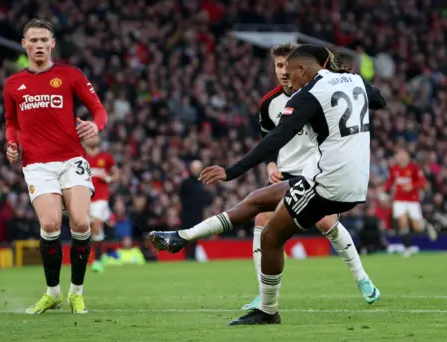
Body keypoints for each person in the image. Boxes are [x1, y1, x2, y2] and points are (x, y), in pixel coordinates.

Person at [149, 45, 386, 325]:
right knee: (257, 200)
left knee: (271, 236)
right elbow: (378, 100)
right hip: (351, 179)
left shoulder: (308, 94)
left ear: (302, 70)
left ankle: (268, 310)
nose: (287, 78)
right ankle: (183, 236)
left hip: (327, 181)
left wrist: (232, 170)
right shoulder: (354, 80)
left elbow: (275, 139)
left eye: (290, 71)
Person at [243, 43, 379, 311]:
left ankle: (362, 278)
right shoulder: (269, 103)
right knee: (262, 221)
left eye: (287, 65)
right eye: (278, 66)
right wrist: (271, 166)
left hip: (314, 171)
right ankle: (264, 293)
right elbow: (268, 138)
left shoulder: (318, 91)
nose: (283, 71)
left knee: (326, 223)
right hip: (285, 174)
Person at [4, 19, 108, 314]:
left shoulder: (70, 75)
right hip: (36, 164)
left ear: (52, 44)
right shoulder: (13, 84)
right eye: (33, 40)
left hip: (72, 160)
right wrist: (12, 144)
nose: (38, 45)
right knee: (49, 225)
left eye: (43, 40)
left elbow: (99, 109)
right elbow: (11, 122)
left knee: (80, 222)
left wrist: (95, 126)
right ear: (24, 44)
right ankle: (52, 293)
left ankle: (77, 292)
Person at [382, 148, 437, 257]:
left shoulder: (414, 168)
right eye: (399, 155)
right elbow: (390, 181)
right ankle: (407, 247)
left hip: (412, 200)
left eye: (403, 155)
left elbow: (422, 181)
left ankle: (426, 226)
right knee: (402, 222)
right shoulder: (394, 169)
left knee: (417, 227)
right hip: (399, 200)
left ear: (407, 156)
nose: (401, 158)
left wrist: (412, 185)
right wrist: (384, 190)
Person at [84, 134, 118, 273]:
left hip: (101, 197)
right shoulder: (80, 157)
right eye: (89, 137)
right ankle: (100, 255)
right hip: (85, 198)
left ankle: (97, 260)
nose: (92, 139)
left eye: (94, 137)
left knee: (97, 224)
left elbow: (116, 174)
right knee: (92, 229)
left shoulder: (106, 157)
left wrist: (109, 179)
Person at [179, 160, 212, 260]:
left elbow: (206, 200)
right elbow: (181, 198)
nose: (196, 170)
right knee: (187, 236)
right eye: (195, 168)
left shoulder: (202, 183)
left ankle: (192, 256)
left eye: (198, 168)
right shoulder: (186, 183)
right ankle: (188, 256)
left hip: (198, 214)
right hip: (187, 214)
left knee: (195, 237)